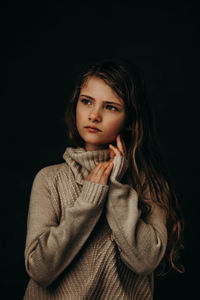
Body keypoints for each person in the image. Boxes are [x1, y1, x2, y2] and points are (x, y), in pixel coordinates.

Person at [23, 58, 184, 300]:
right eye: (86, 101)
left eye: (110, 107)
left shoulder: (148, 184)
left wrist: (116, 190)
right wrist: (89, 201)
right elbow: (39, 269)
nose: (94, 115)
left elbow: (144, 261)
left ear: (130, 120)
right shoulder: (49, 179)